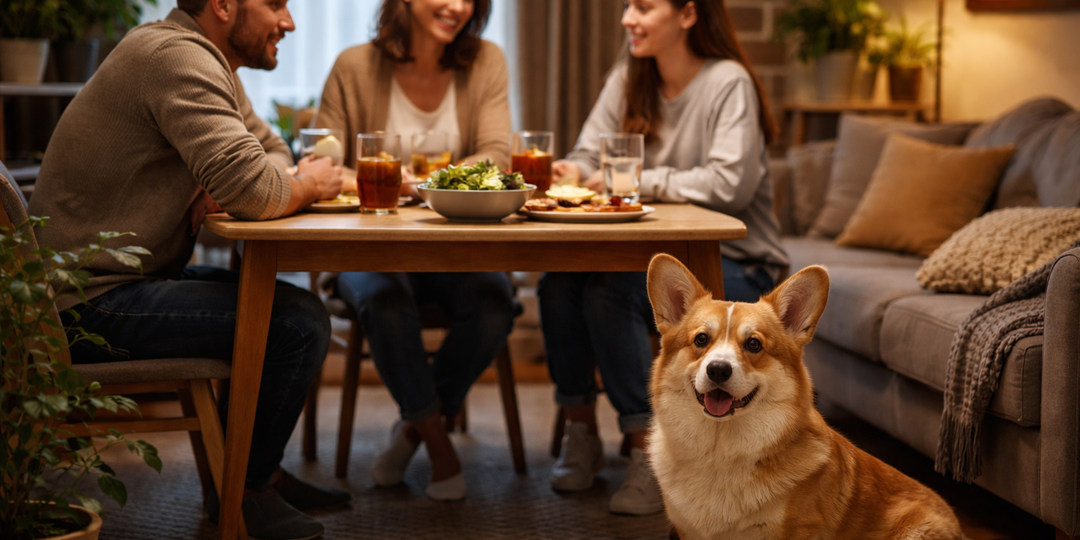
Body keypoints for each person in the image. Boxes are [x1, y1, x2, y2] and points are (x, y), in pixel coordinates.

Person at [28, 1, 349, 539]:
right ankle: (244, 494)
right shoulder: (175, 58)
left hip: (125, 282)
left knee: (288, 308)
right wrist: (308, 183)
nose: (289, 22)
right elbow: (262, 190)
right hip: (83, 304)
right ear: (224, 5)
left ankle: (251, 475)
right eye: (275, 4)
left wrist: (234, 182)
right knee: (295, 324)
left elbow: (268, 153)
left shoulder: (209, 61)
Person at [539, 0, 790, 516]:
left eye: (643, 6)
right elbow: (589, 157)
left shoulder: (728, 81)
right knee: (559, 282)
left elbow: (729, 185)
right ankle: (580, 429)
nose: (628, 18)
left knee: (612, 292)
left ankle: (645, 449)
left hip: (737, 266)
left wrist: (632, 183)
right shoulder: (630, 76)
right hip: (653, 265)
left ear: (688, 14)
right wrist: (570, 168)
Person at [314, 0, 514, 501]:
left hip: (455, 249)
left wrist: (425, 184)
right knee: (383, 301)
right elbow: (321, 163)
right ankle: (440, 450)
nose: (457, 6)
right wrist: (383, 180)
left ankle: (414, 431)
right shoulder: (353, 66)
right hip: (370, 246)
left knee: (496, 302)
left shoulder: (486, 59)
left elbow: (496, 153)